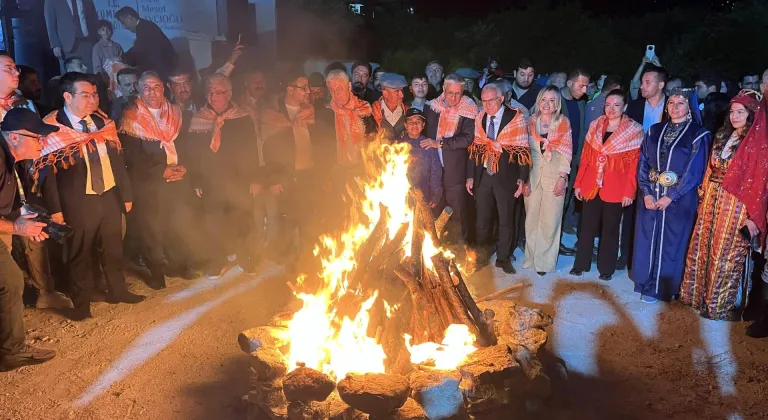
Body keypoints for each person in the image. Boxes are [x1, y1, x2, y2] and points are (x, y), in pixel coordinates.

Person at [36, 72, 144, 320]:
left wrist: (125, 193)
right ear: (67, 96)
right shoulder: (53, 128)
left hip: (108, 193)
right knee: (80, 251)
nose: (93, 99)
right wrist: (55, 209)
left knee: (113, 246)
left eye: (94, 94)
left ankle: (118, 290)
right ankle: (81, 302)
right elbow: (47, 175)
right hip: (77, 200)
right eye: (85, 95)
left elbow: (118, 160)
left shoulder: (101, 122)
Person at [681, 90, 768, 321]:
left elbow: (759, 182)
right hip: (712, 197)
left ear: (752, 115)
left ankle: (720, 304)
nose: (735, 116)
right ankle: (697, 296)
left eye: (741, 112)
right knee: (703, 245)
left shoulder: (756, 144)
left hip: (735, 203)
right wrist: (703, 194)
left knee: (725, 252)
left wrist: (753, 216)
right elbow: (710, 168)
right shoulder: (721, 136)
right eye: (732, 111)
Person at [119, 71, 199, 288]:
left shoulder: (176, 113)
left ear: (163, 88)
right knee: (152, 229)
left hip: (178, 180)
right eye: (146, 87)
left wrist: (185, 167)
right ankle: (156, 272)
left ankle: (179, 264)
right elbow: (132, 157)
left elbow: (186, 146)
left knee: (178, 223)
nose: (151, 92)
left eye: (155, 87)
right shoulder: (130, 118)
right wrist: (161, 171)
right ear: (139, 89)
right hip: (149, 183)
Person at [632, 89, 711, 303]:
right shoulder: (655, 130)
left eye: (681, 103)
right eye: (672, 103)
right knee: (648, 237)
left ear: (689, 108)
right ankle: (644, 281)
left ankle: (662, 288)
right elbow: (643, 164)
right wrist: (646, 193)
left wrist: (672, 195)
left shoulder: (698, 133)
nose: (675, 107)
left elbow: (695, 171)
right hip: (651, 194)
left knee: (671, 241)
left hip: (679, 198)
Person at [0, 107, 59, 371]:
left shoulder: (13, 161)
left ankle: (11, 349)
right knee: (10, 282)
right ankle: (11, 352)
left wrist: (32, 219)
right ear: (14, 137)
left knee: (9, 282)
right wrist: (17, 227)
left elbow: (12, 201)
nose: (42, 142)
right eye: (36, 137)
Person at [186, 74, 261, 277]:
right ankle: (217, 260)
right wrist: (197, 180)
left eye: (218, 92)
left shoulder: (242, 116)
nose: (213, 96)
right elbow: (193, 154)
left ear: (229, 94)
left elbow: (251, 149)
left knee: (243, 220)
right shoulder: (199, 119)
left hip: (239, 180)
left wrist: (255, 179)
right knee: (213, 223)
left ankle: (246, 257)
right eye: (209, 92)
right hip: (212, 182)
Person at [569, 89, 643, 281]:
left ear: (625, 107)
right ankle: (581, 264)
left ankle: (606, 268)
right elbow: (585, 158)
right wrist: (578, 184)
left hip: (617, 188)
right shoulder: (595, 125)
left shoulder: (634, 131)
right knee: (586, 227)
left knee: (610, 230)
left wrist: (630, 191)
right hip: (591, 185)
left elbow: (635, 166)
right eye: (608, 105)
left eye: (616, 105)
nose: (611, 109)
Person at [260, 72, 324, 266]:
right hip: (286, 175)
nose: (308, 91)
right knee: (287, 218)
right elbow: (267, 150)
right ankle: (285, 257)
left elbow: (318, 142)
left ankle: (307, 258)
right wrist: (275, 178)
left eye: (308, 88)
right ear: (290, 90)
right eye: (303, 88)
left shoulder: (309, 111)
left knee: (308, 217)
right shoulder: (272, 114)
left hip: (308, 174)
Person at [466, 84, 529, 274]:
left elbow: (522, 150)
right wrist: (470, 176)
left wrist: (522, 178)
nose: (487, 105)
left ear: (501, 99)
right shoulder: (480, 118)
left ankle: (503, 257)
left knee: (505, 219)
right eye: (484, 101)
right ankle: (482, 256)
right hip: (484, 175)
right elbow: (475, 148)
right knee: (482, 220)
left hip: (506, 177)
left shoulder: (516, 118)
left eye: (491, 101)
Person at [622, 65, 669, 271]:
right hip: (634, 166)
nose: (642, 86)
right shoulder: (634, 107)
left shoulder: (673, 107)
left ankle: (654, 262)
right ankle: (627, 257)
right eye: (642, 82)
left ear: (661, 84)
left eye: (647, 82)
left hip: (664, 172)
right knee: (630, 212)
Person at [422, 73, 478, 244]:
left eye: (458, 93)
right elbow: (425, 136)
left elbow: (467, 138)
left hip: (456, 171)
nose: (454, 98)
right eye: (450, 93)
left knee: (458, 214)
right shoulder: (432, 108)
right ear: (443, 90)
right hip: (435, 171)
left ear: (463, 92)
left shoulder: (468, 109)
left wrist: (439, 143)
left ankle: (460, 252)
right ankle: (439, 249)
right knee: (437, 211)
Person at [523, 86, 572, 275]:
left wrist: (562, 177)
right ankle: (530, 258)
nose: (547, 104)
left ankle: (544, 263)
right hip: (533, 176)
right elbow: (523, 153)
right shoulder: (530, 122)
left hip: (554, 176)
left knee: (550, 221)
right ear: (538, 101)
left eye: (552, 100)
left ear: (557, 104)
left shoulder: (563, 123)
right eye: (544, 99)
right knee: (531, 219)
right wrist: (523, 180)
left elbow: (567, 153)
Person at [559, 69, 589, 251]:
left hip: (573, 162)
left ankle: (556, 239)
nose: (585, 90)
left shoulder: (581, 103)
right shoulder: (554, 101)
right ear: (569, 83)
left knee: (564, 204)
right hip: (555, 165)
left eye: (586, 85)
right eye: (581, 85)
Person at [325, 69, 376, 168]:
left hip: (363, 168)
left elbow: (373, 139)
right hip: (337, 169)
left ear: (349, 86)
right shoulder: (326, 113)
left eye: (339, 89)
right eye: (331, 90)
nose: (335, 94)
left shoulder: (364, 110)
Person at [116, 7, 178, 79]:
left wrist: (121, 58)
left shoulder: (144, 28)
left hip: (163, 70)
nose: (124, 26)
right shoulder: (145, 26)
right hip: (164, 68)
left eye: (123, 22)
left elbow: (138, 49)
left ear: (130, 17)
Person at [396, 108, 441, 207]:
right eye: (410, 122)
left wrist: (436, 194)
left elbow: (435, 172)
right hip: (402, 192)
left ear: (423, 125)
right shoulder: (398, 145)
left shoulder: (429, 145)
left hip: (424, 192)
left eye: (418, 122)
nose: (414, 125)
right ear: (405, 125)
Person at [44, 0, 99, 73]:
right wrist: (55, 45)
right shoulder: (52, 1)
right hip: (66, 45)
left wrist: (96, 39)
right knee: (70, 77)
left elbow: (93, 19)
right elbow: (50, 24)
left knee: (90, 73)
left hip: (87, 42)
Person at [371, 73, 408, 139]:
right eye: (396, 91)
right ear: (385, 93)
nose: (402, 95)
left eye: (402, 90)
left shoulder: (407, 111)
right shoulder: (372, 112)